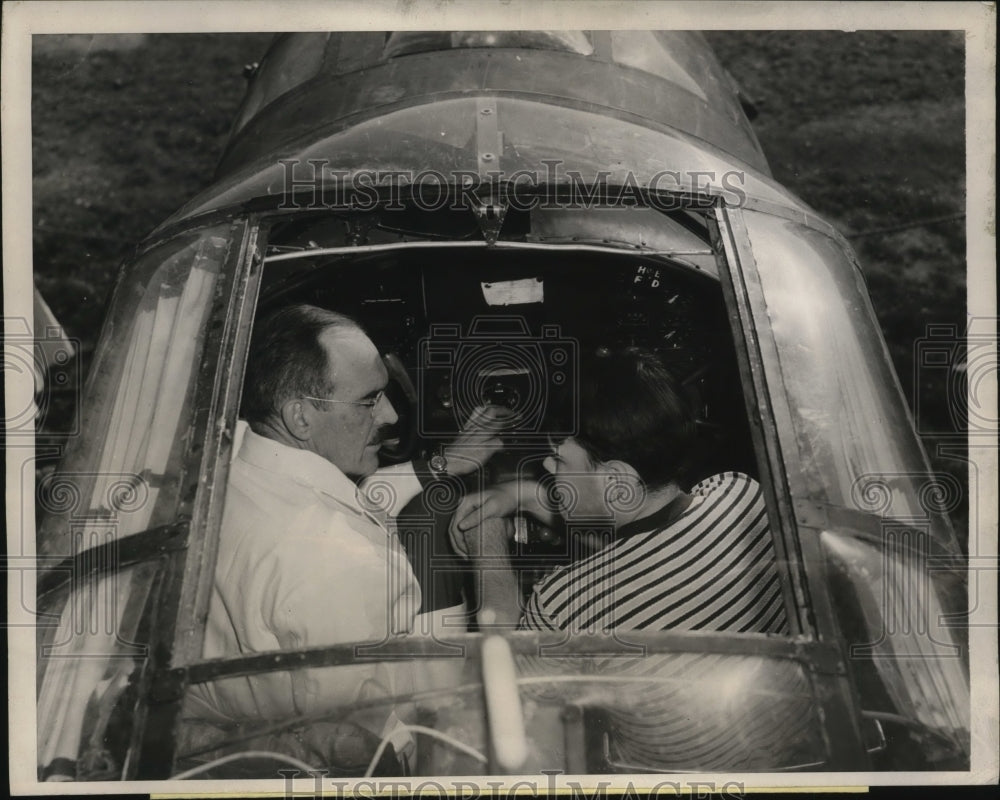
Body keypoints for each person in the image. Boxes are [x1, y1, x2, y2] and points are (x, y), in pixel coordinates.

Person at [179, 304, 501, 774]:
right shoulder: (341, 560)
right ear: (301, 418)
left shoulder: (222, 471)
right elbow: (369, 750)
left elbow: (350, 500)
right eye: (369, 400)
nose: (390, 414)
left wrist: (438, 465)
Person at [447, 346, 793, 770]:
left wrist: (486, 536)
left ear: (616, 478)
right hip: (795, 764)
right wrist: (521, 495)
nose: (547, 466)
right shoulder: (742, 494)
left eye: (560, 458)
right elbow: (648, 556)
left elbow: (507, 687)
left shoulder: (564, 605)